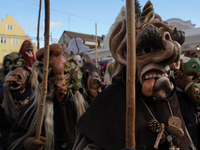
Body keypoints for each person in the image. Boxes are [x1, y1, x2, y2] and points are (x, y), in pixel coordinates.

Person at [72, 1, 199, 150]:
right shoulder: (111, 99)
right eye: (147, 49)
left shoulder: (170, 95)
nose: (166, 61)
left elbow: (184, 140)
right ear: (126, 56)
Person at [8, 44, 87, 150]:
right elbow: (14, 142)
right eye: (52, 75)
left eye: (65, 74)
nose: (59, 83)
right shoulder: (34, 108)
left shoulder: (81, 106)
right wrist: (26, 144)